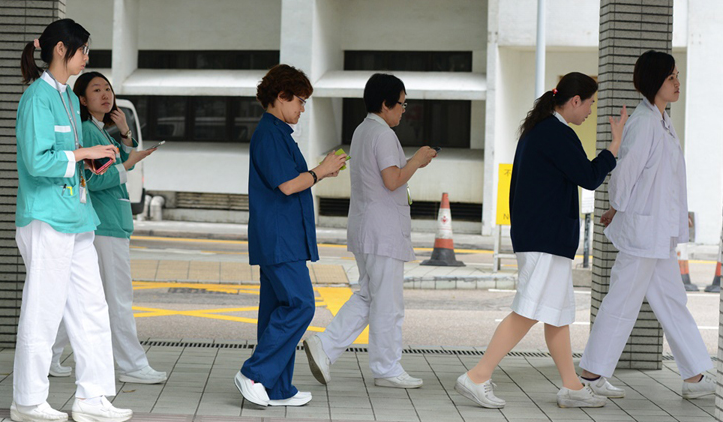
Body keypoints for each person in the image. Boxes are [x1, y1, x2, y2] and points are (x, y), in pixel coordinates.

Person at [455, 72, 627, 409]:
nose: (591, 110)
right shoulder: (556, 133)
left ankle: (572, 387)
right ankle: (477, 376)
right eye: (590, 102)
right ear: (575, 101)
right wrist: (614, 147)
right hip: (545, 239)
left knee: (557, 314)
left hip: (542, 237)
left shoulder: (542, 129)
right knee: (528, 311)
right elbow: (590, 177)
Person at [13, 19, 132, 422]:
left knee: (92, 309)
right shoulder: (37, 97)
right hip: (46, 219)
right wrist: (82, 156)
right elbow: (36, 160)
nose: (87, 57)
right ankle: (28, 401)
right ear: (62, 49)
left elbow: (66, 158)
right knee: (43, 310)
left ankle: (92, 398)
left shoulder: (65, 96)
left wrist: (89, 164)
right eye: (84, 50)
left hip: (78, 216)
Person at [579, 50, 715, 400]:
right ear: (656, 82)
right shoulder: (644, 123)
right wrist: (617, 206)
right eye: (671, 78)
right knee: (622, 301)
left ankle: (695, 376)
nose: (677, 82)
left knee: (672, 300)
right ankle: (592, 374)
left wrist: (668, 214)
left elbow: (661, 181)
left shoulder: (661, 121)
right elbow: (626, 174)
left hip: (657, 233)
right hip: (644, 234)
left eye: (677, 76)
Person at [303, 73, 436, 389]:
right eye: (401, 104)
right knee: (388, 304)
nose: (404, 110)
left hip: (366, 227)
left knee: (369, 296)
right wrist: (417, 160)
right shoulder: (384, 134)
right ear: (385, 104)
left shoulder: (362, 131)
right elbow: (392, 180)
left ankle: (325, 347)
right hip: (383, 232)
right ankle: (387, 368)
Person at [234, 64, 346, 407]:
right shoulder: (270, 134)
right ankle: (254, 374)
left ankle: (277, 387)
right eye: (299, 100)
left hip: (281, 238)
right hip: (279, 238)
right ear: (281, 97)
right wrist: (321, 171)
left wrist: (319, 172)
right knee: (300, 304)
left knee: (275, 311)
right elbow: (287, 185)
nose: (301, 108)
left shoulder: (278, 133)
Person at [47, 71, 166, 385]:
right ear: (83, 100)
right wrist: (125, 166)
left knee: (77, 297)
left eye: (108, 88)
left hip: (105, 223)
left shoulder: (104, 130)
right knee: (117, 298)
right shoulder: (87, 131)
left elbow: (125, 160)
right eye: (96, 89)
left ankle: (47, 356)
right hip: (105, 225)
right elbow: (95, 178)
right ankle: (131, 364)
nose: (105, 94)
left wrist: (125, 133)